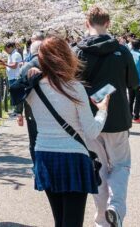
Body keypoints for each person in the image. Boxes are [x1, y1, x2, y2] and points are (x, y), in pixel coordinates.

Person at [27, 37, 111, 227]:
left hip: (44, 154)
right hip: (73, 157)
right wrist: (103, 109)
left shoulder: (32, 89)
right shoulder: (74, 87)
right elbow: (91, 131)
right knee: (72, 221)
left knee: (60, 220)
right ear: (67, 57)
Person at [73, 6, 138, 227]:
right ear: (108, 23)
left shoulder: (77, 52)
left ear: (86, 23)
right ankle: (115, 208)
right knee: (120, 164)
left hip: (88, 118)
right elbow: (133, 82)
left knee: (97, 167)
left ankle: (102, 218)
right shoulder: (122, 51)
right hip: (117, 116)